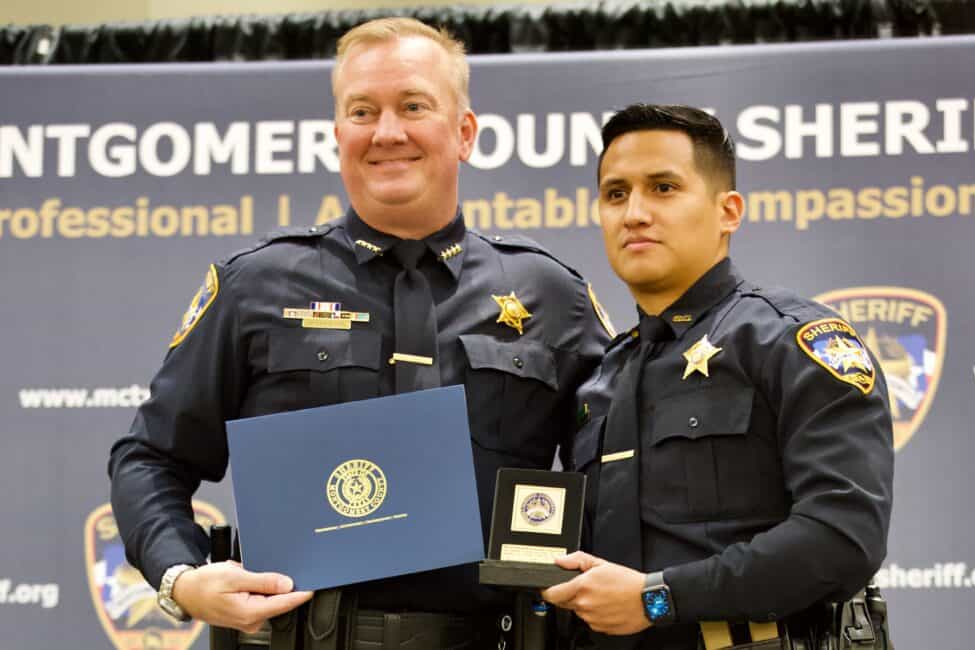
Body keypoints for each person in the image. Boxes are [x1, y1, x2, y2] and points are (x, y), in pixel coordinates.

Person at [108, 17, 611, 650]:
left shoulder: (551, 295)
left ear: (464, 133)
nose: (387, 132)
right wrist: (181, 578)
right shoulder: (254, 285)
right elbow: (150, 458)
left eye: (414, 106)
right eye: (362, 111)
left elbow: (622, 473)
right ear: (338, 134)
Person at [541, 104, 894, 649]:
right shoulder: (600, 380)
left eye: (663, 188)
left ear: (728, 211)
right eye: (615, 194)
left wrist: (657, 599)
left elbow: (844, 538)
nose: (634, 213)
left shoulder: (789, 341)